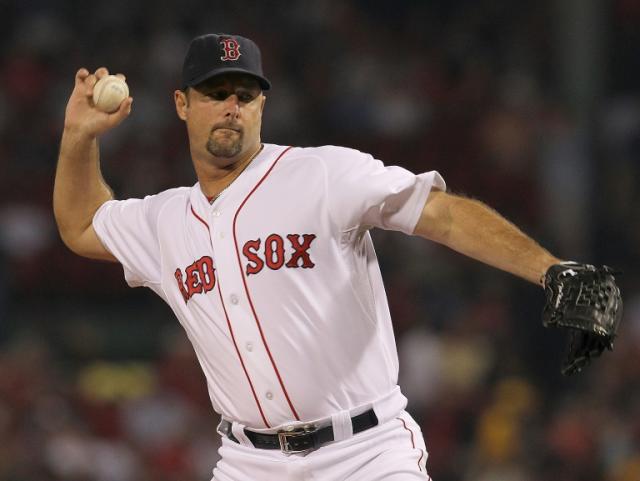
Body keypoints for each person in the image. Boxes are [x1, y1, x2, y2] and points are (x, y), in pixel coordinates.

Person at [54, 33, 562, 481]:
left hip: (366, 453)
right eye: (215, 93)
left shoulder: (320, 174)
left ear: (261, 107)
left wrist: (549, 269)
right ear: (182, 104)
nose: (232, 105)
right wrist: (79, 137)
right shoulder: (164, 222)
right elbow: (80, 225)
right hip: (249, 462)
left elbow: (442, 214)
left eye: (246, 94)